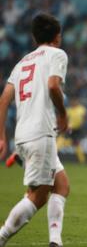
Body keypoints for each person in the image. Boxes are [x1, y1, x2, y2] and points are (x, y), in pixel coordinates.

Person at [0, 13, 70, 247]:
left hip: (23, 134)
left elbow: (3, 100)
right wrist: (62, 113)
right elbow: (52, 85)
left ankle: (55, 241)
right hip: (41, 133)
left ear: (34, 37)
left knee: (62, 185)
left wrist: (1, 136)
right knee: (37, 196)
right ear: (57, 37)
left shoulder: (23, 62)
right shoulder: (57, 54)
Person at [64, 97, 87, 163]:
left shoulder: (82, 109)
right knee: (62, 140)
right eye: (72, 101)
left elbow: (85, 117)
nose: (73, 102)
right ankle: (54, 157)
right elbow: (65, 119)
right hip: (69, 129)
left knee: (77, 144)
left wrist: (83, 123)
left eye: (74, 101)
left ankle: (82, 161)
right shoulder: (68, 109)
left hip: (77, 129)